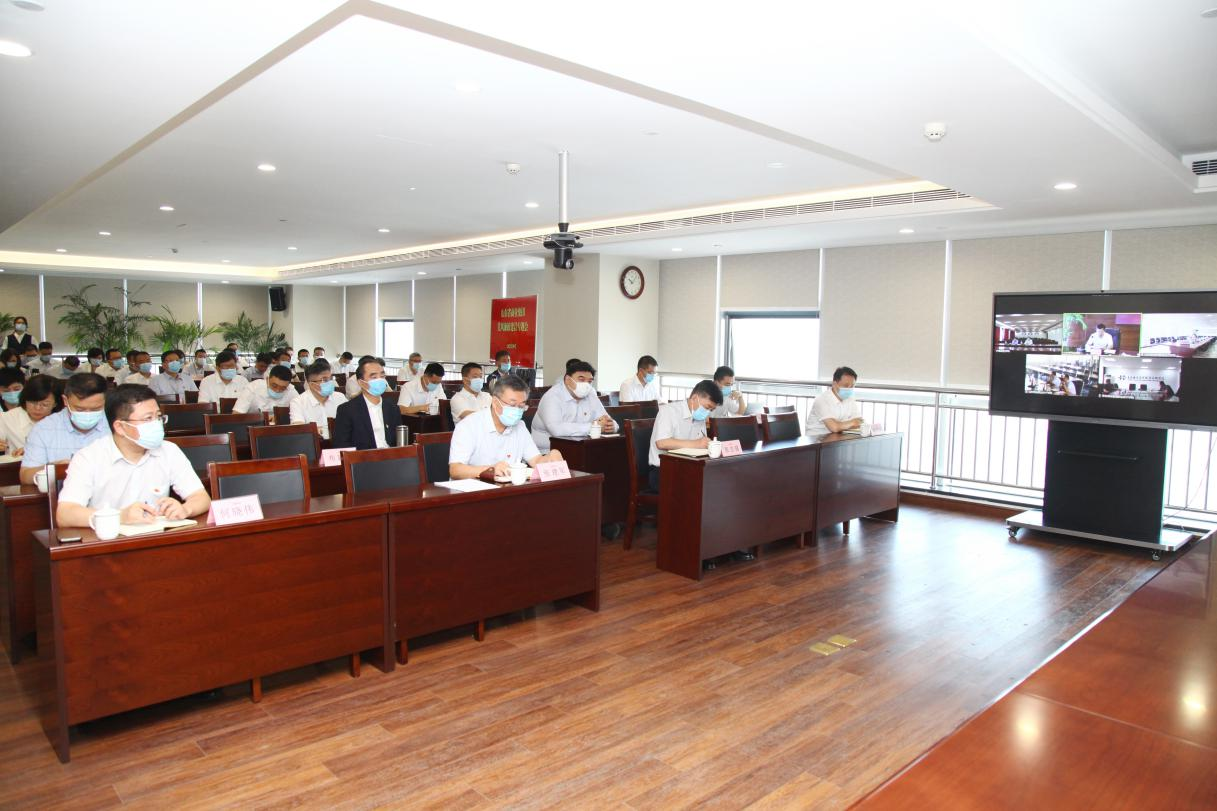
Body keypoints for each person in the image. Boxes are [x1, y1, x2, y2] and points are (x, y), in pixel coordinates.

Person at [54, 384, 211, 528]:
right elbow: (65, 514)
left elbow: (201, 497)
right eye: (148, 419)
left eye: (158, 417)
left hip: (156, 537)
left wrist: (185, 509)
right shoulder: (89, 457)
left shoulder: (169, 451)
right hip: (107, 542)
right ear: (120, 427)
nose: (157, 424)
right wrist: (119, 516)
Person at [449, 375, 562, 480]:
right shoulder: (468, 426)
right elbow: (455, 470)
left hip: (508, 488)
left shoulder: (520, 426)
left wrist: (550, 458)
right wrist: (490, 470)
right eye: (512, 405)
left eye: (521, 406)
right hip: (475, 490)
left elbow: (536, 460)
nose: (517, 410)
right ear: (495, 402)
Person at [19, 372, 110, 485]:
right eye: (80, 409)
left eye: (95, 409)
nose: (87, 414)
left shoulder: (117, 424)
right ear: (65, 401)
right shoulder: (44, 429)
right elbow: (25, 476)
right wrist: (53, 469)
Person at [649, 379, 723, 491]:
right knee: (701, 490)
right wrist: (697, 444)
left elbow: (699, 446)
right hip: (663, 471)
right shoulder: (668, 411)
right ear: (694, 398)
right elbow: (662, 443)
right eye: (707, 407)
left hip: (688, 468)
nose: (707, 412)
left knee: (716, 484)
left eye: (711, 410)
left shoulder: (699, 416)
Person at [531, 360, 616, 453]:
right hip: (547, 452)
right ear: (567, 380)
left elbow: (607, 419)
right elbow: (557, 430)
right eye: (581, 379)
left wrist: (610, 426)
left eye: (589, 381)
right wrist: (593, 427)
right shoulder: (552, 396)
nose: (586, 385)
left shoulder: (590, 393)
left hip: (580, 448)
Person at [332, 357, 402, 450]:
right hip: (363, 457)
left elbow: (398, 442)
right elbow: (341, 445)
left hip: (391, 455)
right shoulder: (347, 410)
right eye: (374, 377)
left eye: (382, 376)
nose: (380, 380)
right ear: (361, 383)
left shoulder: (392, 407)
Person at [0, 373, 56, 456]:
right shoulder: (7, 418)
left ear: (55, 404)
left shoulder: (64, 420)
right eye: (32, 402)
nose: (37, 408)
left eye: (45, 404)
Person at [289, 361, 346, 439]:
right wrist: (313, 430)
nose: (330, 382)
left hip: (341, 441)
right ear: (311, 384)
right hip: (313, 443)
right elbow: (298, 428)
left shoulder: (340, 397)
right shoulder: (298, 402)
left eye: (330, 378)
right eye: (325, 380)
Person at [806, 366, 863, 437]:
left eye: (852, 386)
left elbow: (859, 421)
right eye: (846, 385)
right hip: (816, 439)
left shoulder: (850, 398)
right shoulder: (821, 400)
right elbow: (834, 427)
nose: (849, 389)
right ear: (834, 384)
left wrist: (845, 424)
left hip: (837, 437)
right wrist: (852, 423)